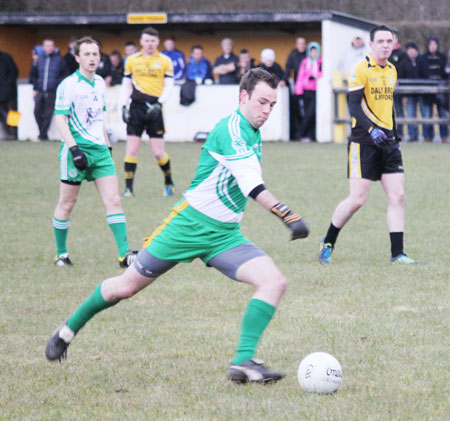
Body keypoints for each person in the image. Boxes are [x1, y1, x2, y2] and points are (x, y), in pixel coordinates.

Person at [45, 68, 310, 384]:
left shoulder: (252, 131)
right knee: (124, 288)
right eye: (262, 102)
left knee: (274, 282)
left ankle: (243, 362)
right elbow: (253, 186)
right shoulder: (231, 131)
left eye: (272, 105)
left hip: (224, 235)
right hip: (187, 226)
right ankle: (67, 330)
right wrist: (287, 215)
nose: (267, 111)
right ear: (244, 96)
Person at [318, 25, 418, 265]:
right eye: (380, 41)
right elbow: (354, 105)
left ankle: (398, 254)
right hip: (363, 143)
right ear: (371, 44)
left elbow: (388, 107)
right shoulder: (360, 69)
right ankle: (328, 242)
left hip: (389, 143)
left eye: (389, 41)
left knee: (398, 196)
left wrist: (394, 136)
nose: (385, 45)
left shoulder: (392, 70)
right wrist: (372, 130)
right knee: (357, 200)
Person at [51, 36, 136, 268]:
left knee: (114, 201)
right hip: (75, 151)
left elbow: (101, 117)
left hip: (100, 151)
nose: (91, 58)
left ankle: (124, 254)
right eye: (86, 54)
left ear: (100, 57)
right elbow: (60, 119)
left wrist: (107, 144)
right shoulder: (68, 85)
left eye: (95, 54)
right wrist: (74, 149)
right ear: (77, 57)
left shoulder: (99, 82)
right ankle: (61, 254)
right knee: (67, 203)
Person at [121, 26, 175, 198]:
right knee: (132, 150)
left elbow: (169, 85)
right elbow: (126, 84)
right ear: (141, 42)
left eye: (153, 41)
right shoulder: (131, 60)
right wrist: (124, 105)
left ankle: (169, 182)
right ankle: (128, 189)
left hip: (155, 107)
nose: (150, 44)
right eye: (147, 40)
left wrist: (160, 103)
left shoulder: (165, 60)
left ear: (157, 42)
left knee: (158, 152)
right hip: (136, 107)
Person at [30, 38, 68, 141]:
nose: (50, 48)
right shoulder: (39, 60)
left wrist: (57, 84)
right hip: (40, 90)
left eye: (52, 45)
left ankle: (42, 136)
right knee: (36, 112)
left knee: (48, 113)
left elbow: (65, 75)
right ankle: (43, 134)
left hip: (52, 91)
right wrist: (36, 87)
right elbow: (33, 75)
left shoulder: (59, 60)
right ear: (43, 47)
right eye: (48, 46)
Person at [416, 36, 448, 143]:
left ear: (437, 45)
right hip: (426, 91)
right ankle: (427, 137)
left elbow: (447, 73)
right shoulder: (422, 58)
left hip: (441, 91)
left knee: (442, 114)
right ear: (427, 45)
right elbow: (418, 73)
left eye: (434, 44)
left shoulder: (443, 57)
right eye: (430, 44)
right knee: (427, 115)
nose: (432, 47)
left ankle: (444, 136)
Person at [295, 42, 322, 142]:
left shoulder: (321, 62)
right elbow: (300, 76)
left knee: (312, 113)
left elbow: (323, 74)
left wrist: (315, 76)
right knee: (307, 114)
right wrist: (299, 90)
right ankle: (306, 135)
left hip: (316, 91)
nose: (314, 53)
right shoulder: (305, 62)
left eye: (315, 51)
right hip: (306, 91)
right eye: (312, 51)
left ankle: (302, 133)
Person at [285, 37, 307, 140]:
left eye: (303, 43)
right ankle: (298, 134)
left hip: (309, 88)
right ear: (296, 45)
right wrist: (284, 81)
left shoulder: (309, 54)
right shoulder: (293, 55)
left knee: (307, 112)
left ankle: (305, 134)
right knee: (297, 111)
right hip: (298, 88)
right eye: (299, 43)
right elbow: (288, 70)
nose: (301, 46)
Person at [397, 42, 419, 142]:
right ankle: (412, 136)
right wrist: (404, 94)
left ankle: (425, 136)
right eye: (409, 50)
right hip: (409, 93)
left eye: (413, 50)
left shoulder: (420, 61)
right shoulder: (403, 63)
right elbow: (401, 79)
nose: (411, 52)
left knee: (424, 113)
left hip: (422, 92)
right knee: (410, 114)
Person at [389, 32, 407, 137]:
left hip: (399, 87)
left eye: (393, 38)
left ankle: (399, 133)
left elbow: (403, 70)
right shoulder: (385, 54)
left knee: (399, 110)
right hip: (387, 88)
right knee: (387, 111)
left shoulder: (401, 54)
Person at [0, 49, 18, 139]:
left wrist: (8, 84)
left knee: (12, 112)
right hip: (3, 92)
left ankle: (14, 133)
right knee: (3, 114)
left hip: (10, 92)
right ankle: (7, 133)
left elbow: (14, 72)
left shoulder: (7, 58)